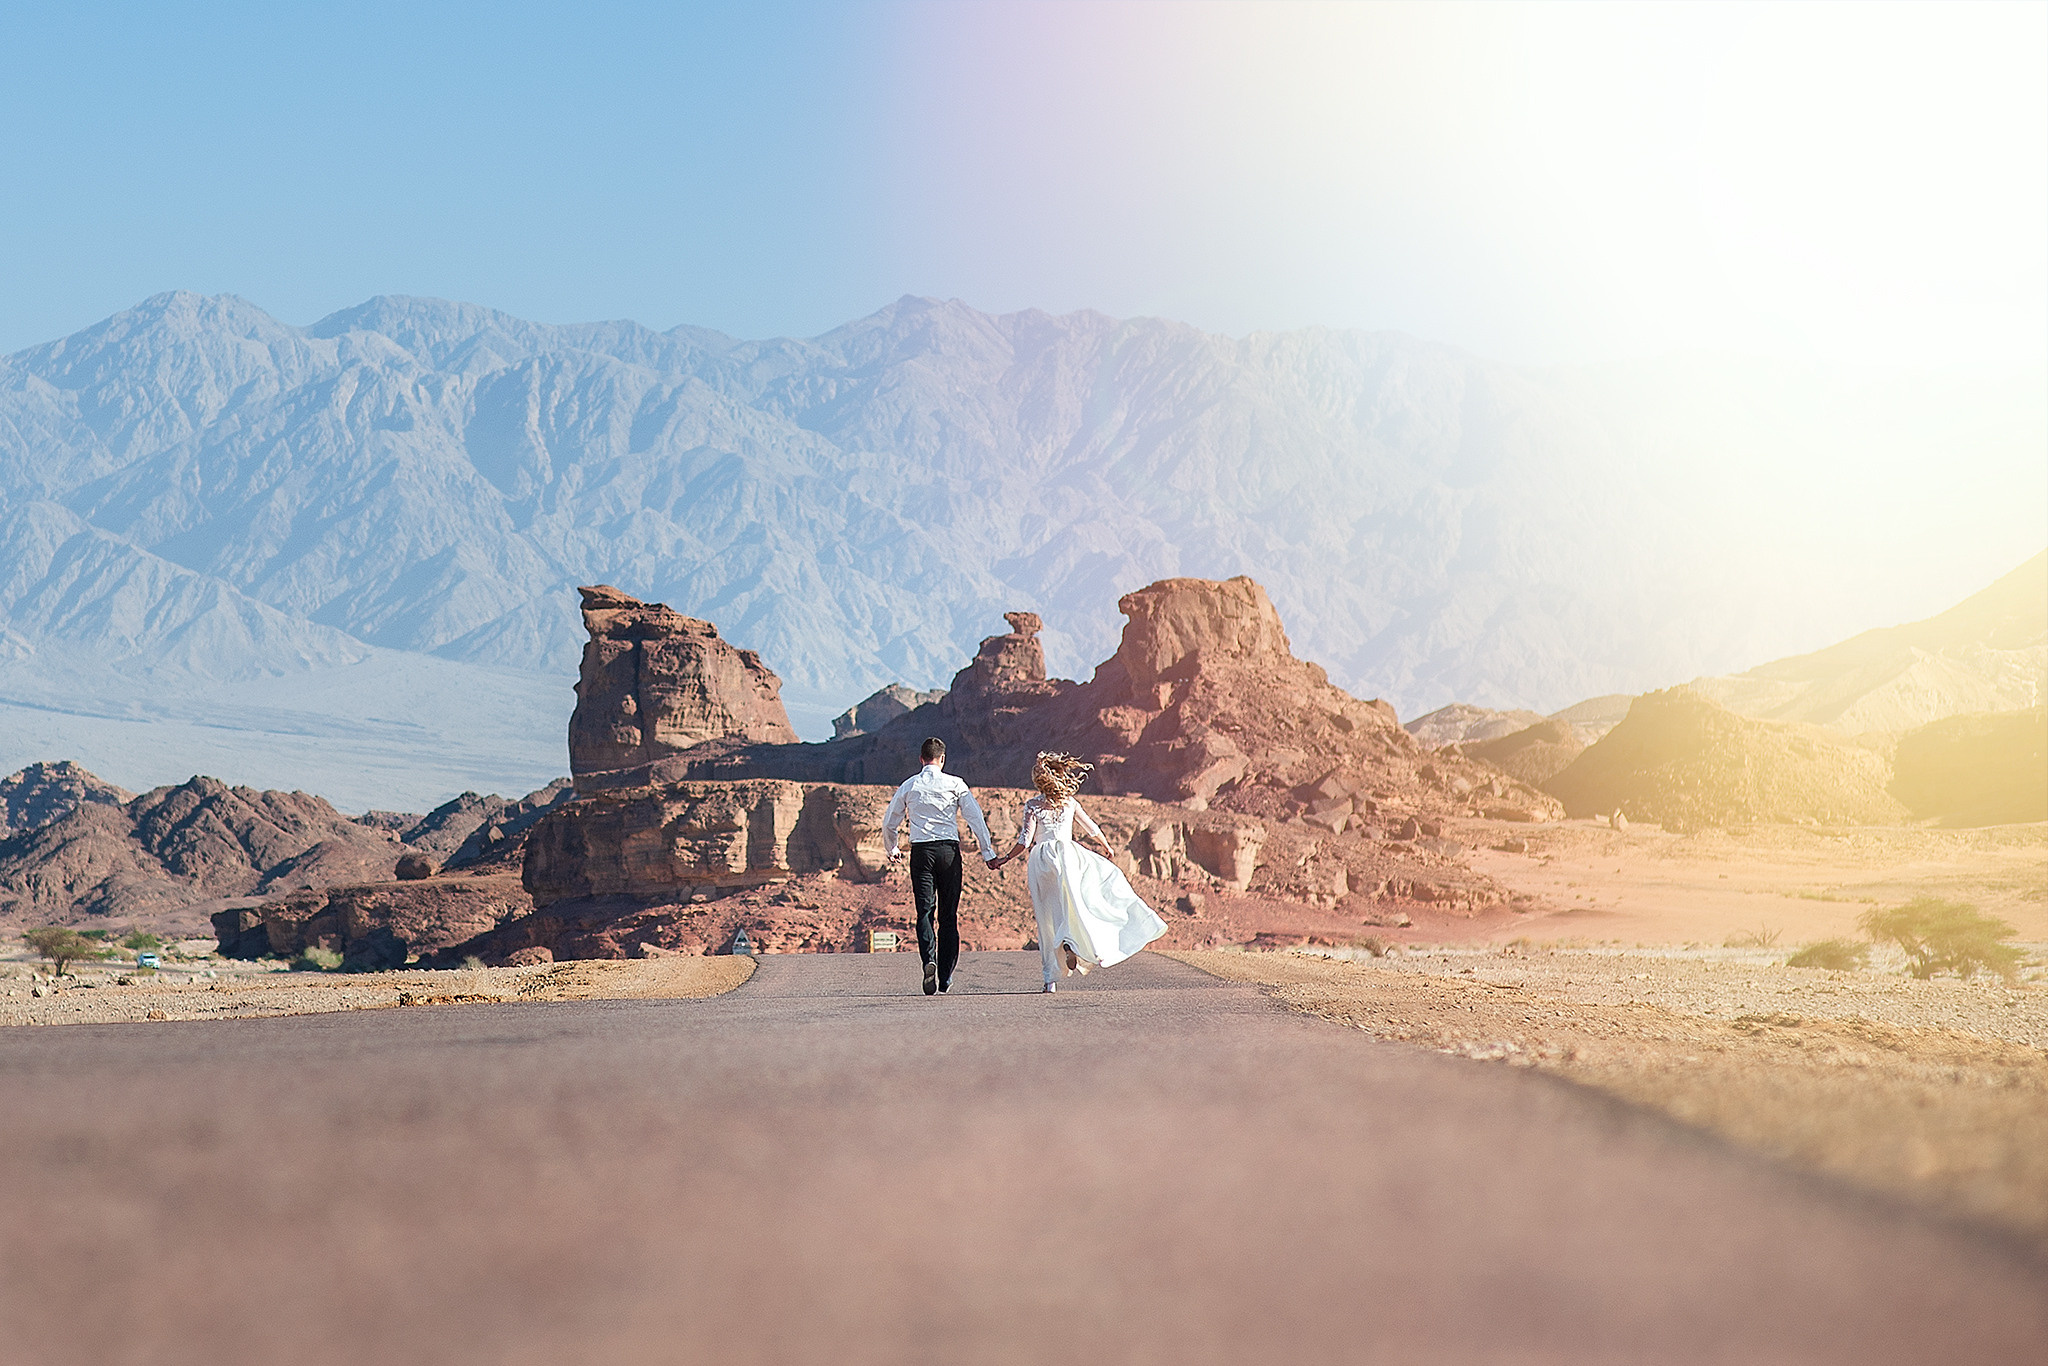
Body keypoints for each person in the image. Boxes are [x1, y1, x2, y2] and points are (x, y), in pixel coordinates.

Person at [989, 752, 1166, 993]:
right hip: (1068, 855)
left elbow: (1025, 840)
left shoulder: (1032, 805)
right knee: (1074, 905)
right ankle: (1071, 943)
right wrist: (1107, 846)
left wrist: (1005, 858)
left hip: (1041, 860)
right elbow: (1091, 828)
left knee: (1047, 916)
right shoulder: (1070, 803)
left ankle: (1050, 979)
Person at [882, 737, 999, 996]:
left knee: (924, 911)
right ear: (942, 759)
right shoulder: (956, 784)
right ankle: (945, 976)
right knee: (949, 916)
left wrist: (892, 848)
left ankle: (929, 961)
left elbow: (890, 821)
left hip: (921, 852)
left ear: (921, 759)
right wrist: (987, 851)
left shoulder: (909, 785)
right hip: (948, 852)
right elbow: (974, 818)